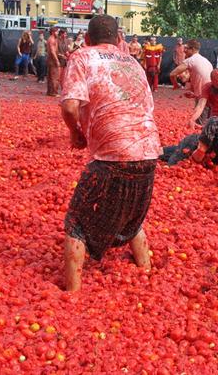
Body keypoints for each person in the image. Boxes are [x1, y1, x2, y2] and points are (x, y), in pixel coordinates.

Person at [60, 15, 161, 292]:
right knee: (132, 217)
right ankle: (146, 274)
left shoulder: (82, 56)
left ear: (87, 39)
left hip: (113, 154)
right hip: (149, 151)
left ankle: (72, 293)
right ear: (118, 39)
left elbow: (70, 107)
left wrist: (75, 133)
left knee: (76, 223)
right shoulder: (133, 62)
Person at [170, 39, 213, 127]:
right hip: (211, 94)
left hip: (203, 95)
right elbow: (201, 78)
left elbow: (172, 74)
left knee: (199, 122)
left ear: (192, 49)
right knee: (208, 120)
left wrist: (175, 85)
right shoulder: (206, 61)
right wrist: (194, 93)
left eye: (186, 48)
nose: (184, 50)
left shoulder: (191, 60)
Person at [46, 27, 60, 96]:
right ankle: (54, 92)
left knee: (50, 76)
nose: (58, 33)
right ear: (53, 32)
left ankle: (50, 91)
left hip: (50, 60)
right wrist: (57, 60)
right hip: (52, 60)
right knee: (55, 77)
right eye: (57, 32)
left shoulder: (51, 39)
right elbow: (52, 51)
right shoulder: (52, 39)